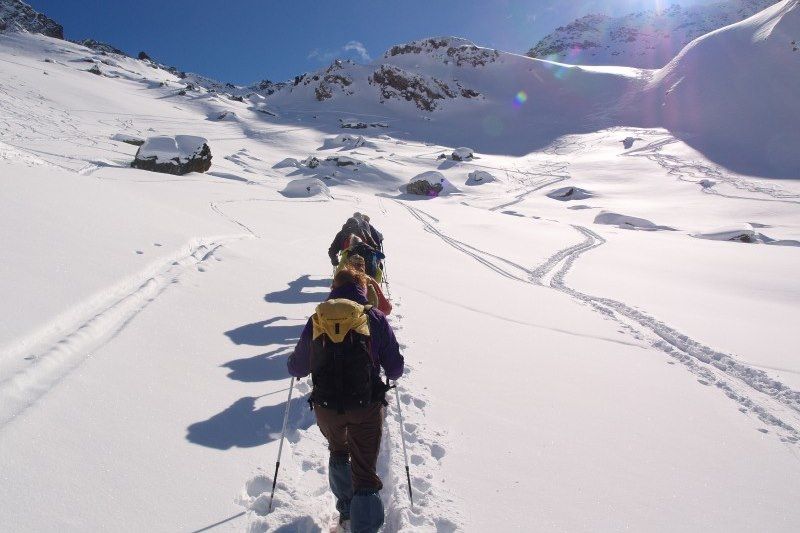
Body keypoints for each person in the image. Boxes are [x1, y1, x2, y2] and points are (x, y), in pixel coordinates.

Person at [288, 268, 404, 533]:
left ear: (334, 287)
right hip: (365, 406)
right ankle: (364, 527)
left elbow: (298, 367)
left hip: (326, 407)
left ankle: (346, 511)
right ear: (363, 288)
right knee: (364, 470)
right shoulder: (374, 317)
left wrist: (291, 364)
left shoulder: (318, 319)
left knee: (338, 451)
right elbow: (395, 367)